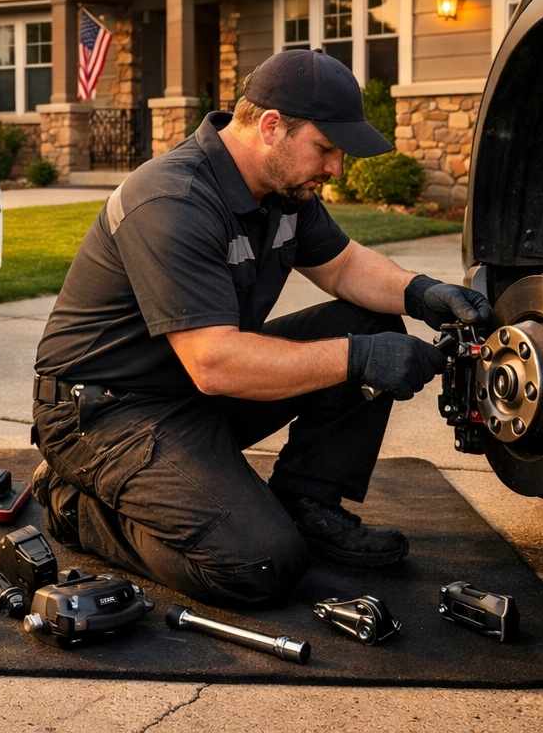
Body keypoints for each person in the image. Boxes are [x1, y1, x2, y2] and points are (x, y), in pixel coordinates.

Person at [30, 49, 489, 606]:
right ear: (271, 127)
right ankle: (73, 503)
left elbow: (343, 267)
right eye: (326, 148)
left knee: (368, 316)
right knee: (260, 563)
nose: (335, 169)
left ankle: (308, 500)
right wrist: (359, 358)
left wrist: (422, 293)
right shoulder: (172, 200)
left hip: (191, 393)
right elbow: (215, 362)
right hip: (103, 414)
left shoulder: (281, 193)